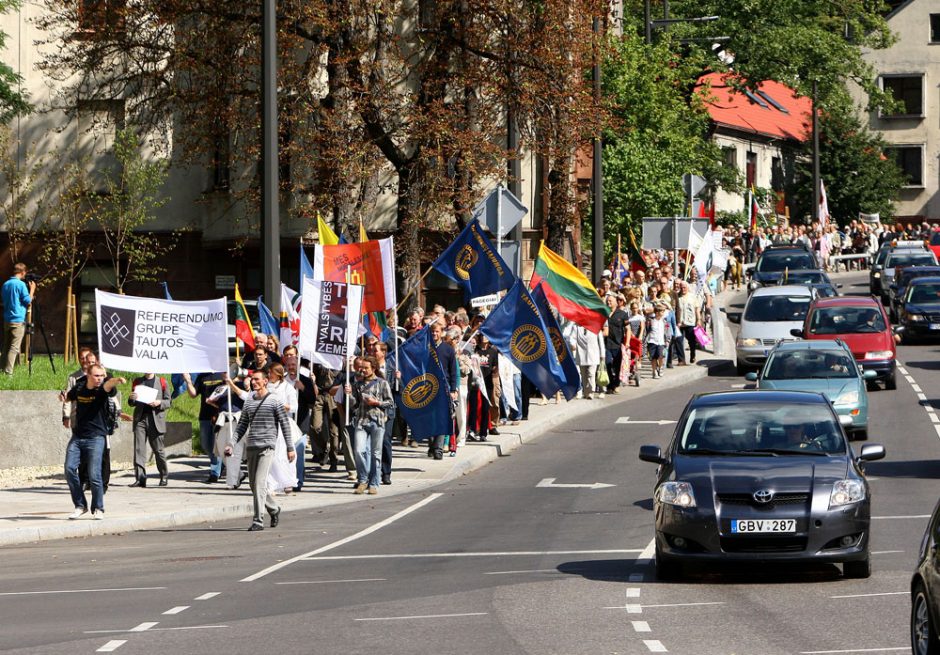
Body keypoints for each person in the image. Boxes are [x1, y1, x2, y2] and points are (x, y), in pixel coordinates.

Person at [224, 369, 295, 531]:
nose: (253, 382)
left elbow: (285, 424)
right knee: (253, 484)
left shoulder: (274, 401)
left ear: (265, 382)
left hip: (267, 447)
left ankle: (258, 520)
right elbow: (242, 425)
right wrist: (231, 444)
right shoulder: (249, 401)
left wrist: (290, 448)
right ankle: (274, 508)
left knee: (260, 482)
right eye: (252, 380)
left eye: (257, 380)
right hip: (252, 447)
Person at [59, 365, 126, 519]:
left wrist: (116, 380)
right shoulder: (80, 387)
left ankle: (98, 508)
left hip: (96, 437)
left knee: (94, 474)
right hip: (78, 436)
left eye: (102, 375)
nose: (100, 379)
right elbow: (69, 396)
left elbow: (109, 385)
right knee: (69, 469)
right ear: (88, 375)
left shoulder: (102, 389)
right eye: (97, 376)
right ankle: (80, 505)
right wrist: (63, 397)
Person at [346, 356, 394, 495]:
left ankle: (374, 483)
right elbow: (354, 404)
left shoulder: (382, 383)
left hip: (377, 421)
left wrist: (377, 403)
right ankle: (362, 480)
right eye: (362, 368)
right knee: (359, 450)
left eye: (366, 368)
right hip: (361, 420)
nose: (364, 370)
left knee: (376, 453)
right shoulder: (357, 384)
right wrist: (349, 395)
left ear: (373, 368)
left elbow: (390, 402)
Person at [182, 370, 228, 483]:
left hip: (219, 415)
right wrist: (188, 381)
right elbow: (193, 394)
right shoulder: (202, 376)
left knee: (215, 445)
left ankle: (214, 473)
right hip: (204, 415)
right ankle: (220, 463)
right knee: (206, 444)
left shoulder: (222, 373)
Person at [128, 372, 171, 487]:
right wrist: (132, 398)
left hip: (155, 419)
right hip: (140, 419)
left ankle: (164, 475)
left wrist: (159, 402)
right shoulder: (137, 381)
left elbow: (168, 401)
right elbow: (131, 403)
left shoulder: (162, 382)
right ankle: (140, 478)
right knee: (139, 449)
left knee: (158, 450)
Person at [430, 320, 457, 459]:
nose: (434, 333)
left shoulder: (448, 349)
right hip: (428, 388)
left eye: (437, 331)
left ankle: (438, 449)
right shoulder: (425, 348)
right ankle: (432, 445)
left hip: (443, 387)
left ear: (441, 333)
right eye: (432, 331)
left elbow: (453, 371)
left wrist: (453, 389)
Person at [2, 262, 36, 375]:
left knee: (6, 346)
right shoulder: (21, 285)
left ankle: (2, 369)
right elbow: (28, 301)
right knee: (14, 347)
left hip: (7, 319)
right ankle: (8, 373)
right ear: (22, 272)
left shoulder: (5, 284)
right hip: (18, 319)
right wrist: (32, 289)